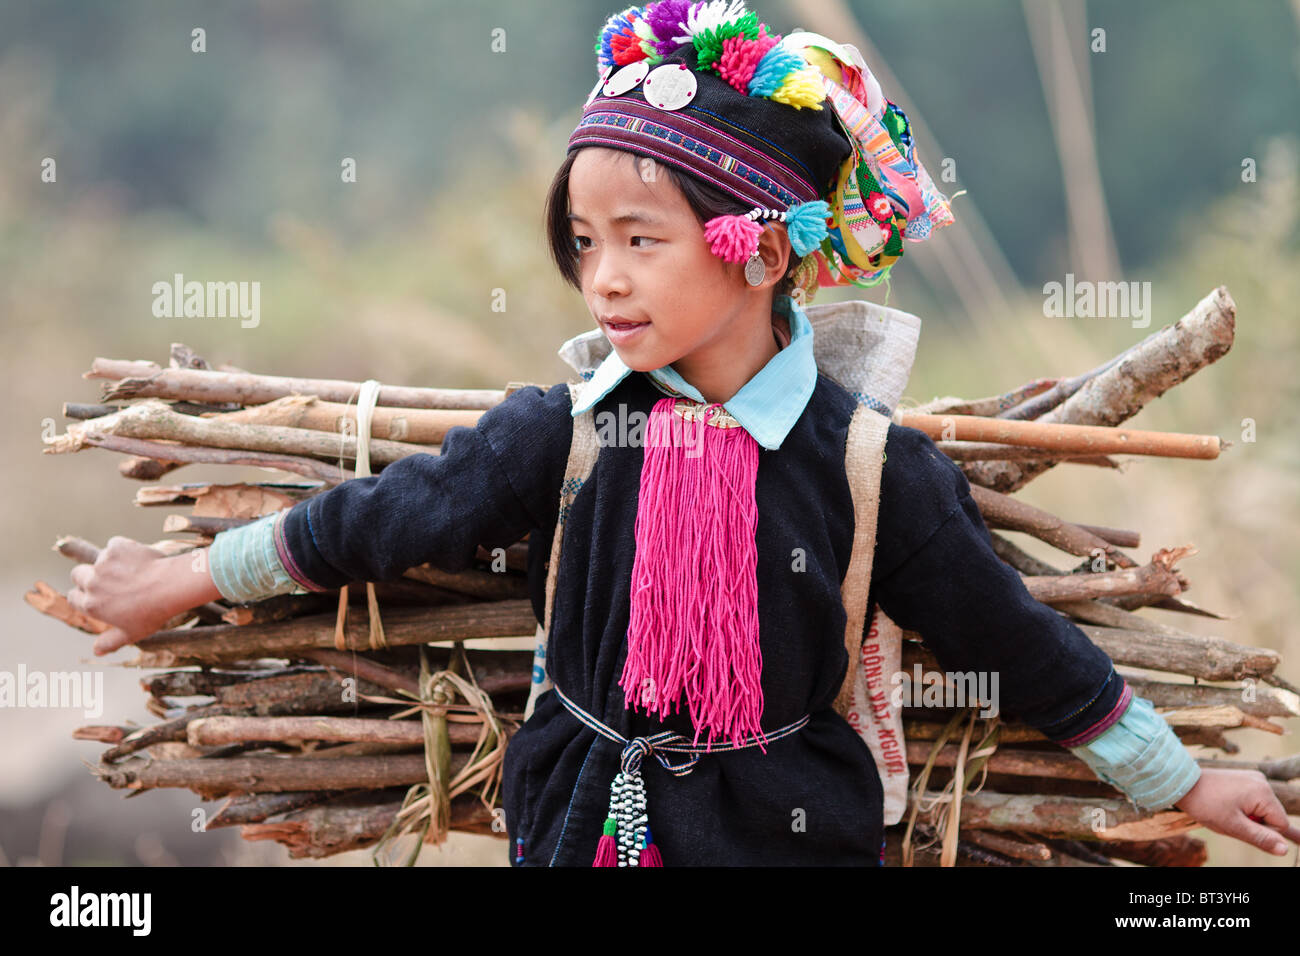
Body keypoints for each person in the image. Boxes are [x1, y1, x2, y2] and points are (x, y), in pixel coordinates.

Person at [68, 0, 1298, 866]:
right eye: (585, 242)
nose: (602, 278)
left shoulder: (871, 471)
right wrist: (181, 577)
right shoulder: (560, 436)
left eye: (639, 240)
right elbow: (375, 523)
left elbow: (1020, 644)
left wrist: (1186, 778)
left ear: (760, 247)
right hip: (579, 826)